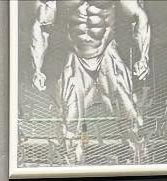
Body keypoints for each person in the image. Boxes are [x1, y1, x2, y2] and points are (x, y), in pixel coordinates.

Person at [30, 0, 152, 166]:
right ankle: (74, 173)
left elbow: (139, 15)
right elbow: (41, 25)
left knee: (131, 120)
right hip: (76, 58)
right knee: (71, 125)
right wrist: (37, 68)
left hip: (107, 56)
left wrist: (144, 57)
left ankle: (140, 170)